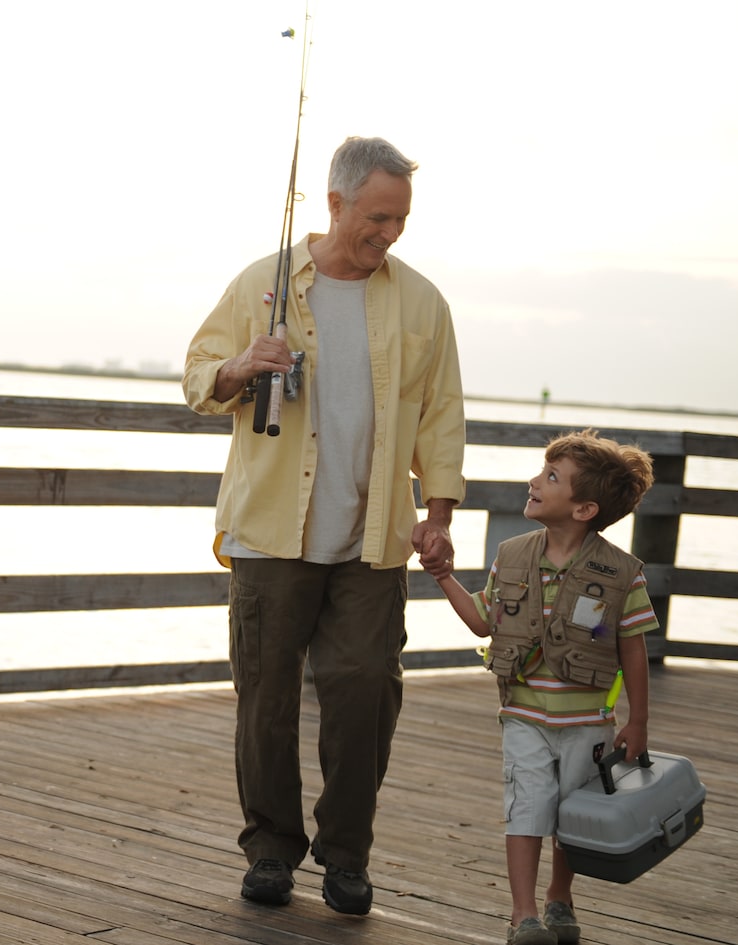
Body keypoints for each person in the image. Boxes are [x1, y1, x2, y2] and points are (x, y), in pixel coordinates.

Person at [182, 135, 466, 916]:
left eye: (400, 219)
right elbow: (198, 377)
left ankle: (346, 855)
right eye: (376, 217)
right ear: (335, 203)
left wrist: (437, 515)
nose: (389, 234)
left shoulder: (422, 302)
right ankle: (270, 848)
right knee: (265, 699)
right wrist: (242, 367)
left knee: (365, 692)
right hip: (270, 535)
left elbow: (442, 417)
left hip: (374, 542)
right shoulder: (261, 283)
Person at [423, 429, 657, 945]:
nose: (535, 481)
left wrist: (637, 721)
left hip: (589, 722)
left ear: (583, 509)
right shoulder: (511, 555)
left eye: (551, 477)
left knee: (572, 818)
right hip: (524, 717)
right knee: (526, 808)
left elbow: (634, 649)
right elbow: (484, 622)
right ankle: (522, 914)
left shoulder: (623, 574)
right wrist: (443, 576)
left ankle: (559, 897)